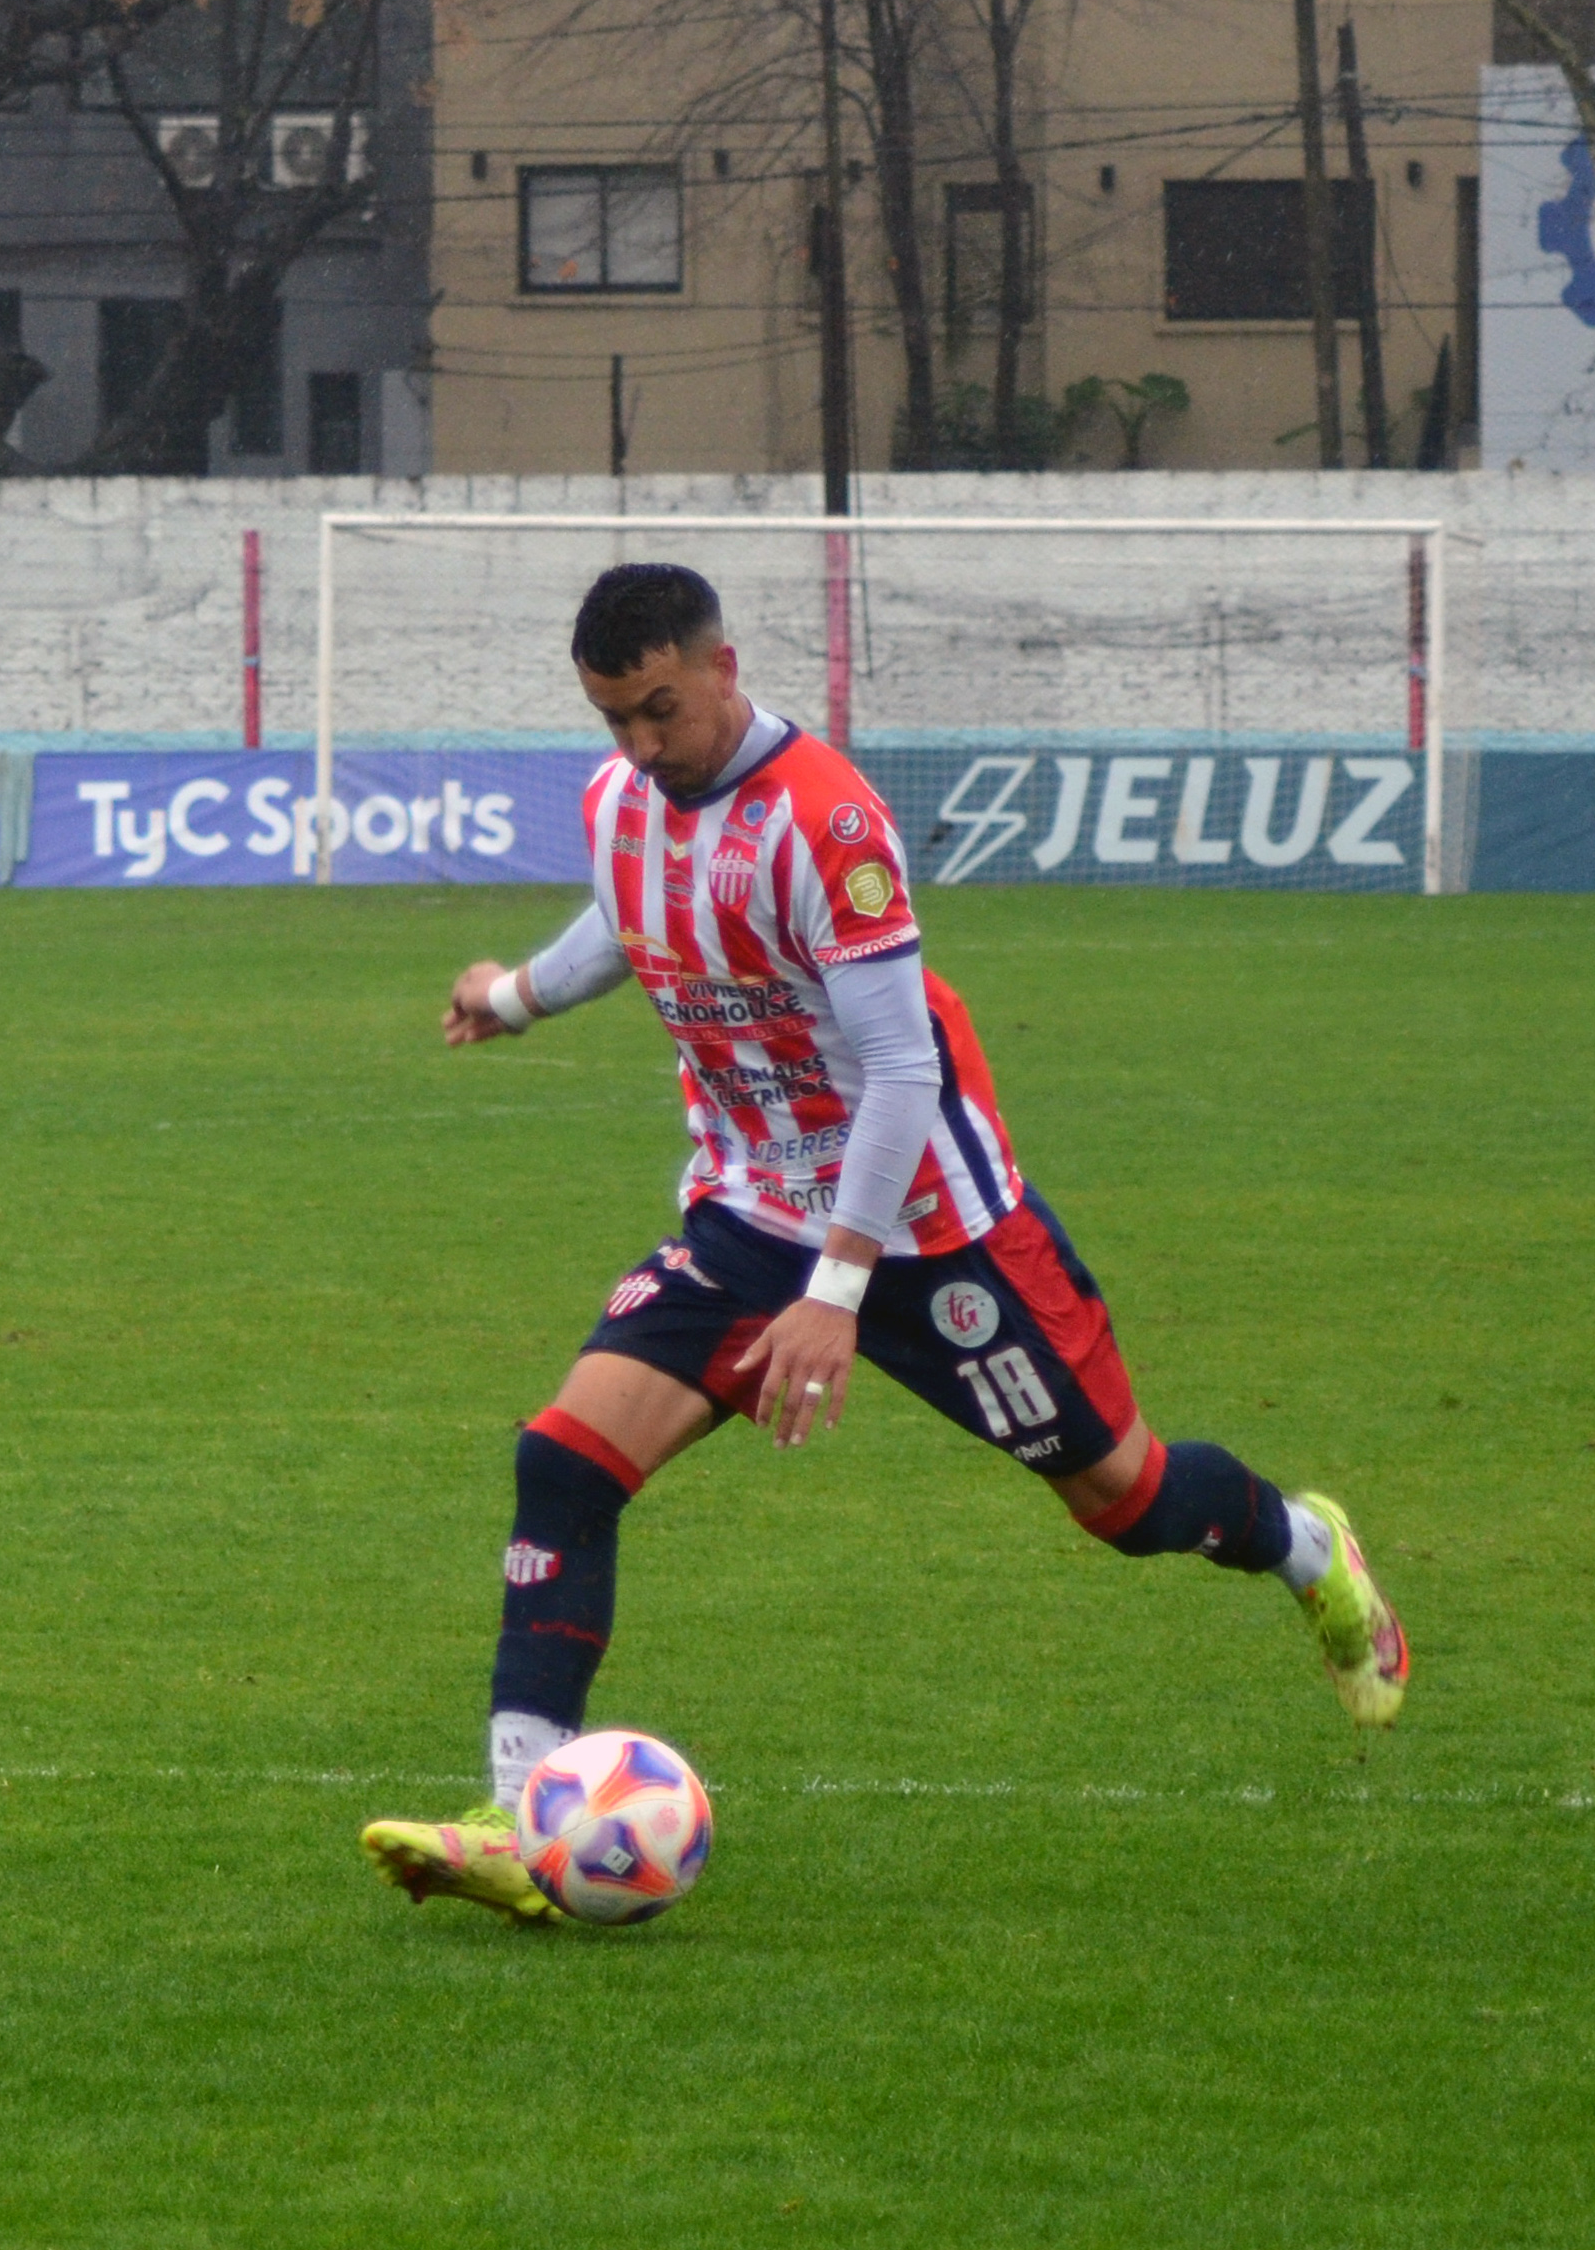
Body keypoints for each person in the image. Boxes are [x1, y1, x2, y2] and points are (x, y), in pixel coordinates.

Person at [358, 564, 1410, 1926]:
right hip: (746, 1212)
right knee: (563, 1456)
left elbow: (902, 1073)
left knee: (1128, 1501)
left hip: (930, 1230)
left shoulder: (826, 822)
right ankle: (523, 1813)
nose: (639, 745)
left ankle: (1308, 1552)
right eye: (613, 718)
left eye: (661, 710)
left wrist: (839, 1293)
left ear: (724, 667)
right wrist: (514, 996)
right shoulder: (625, 799)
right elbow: (630, 919)